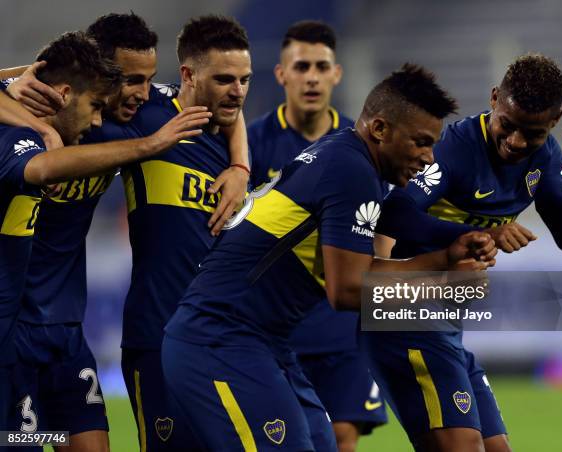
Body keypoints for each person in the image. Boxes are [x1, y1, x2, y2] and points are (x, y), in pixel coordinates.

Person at [162, 63, 498, 451]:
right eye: (421, 142)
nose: (428, 158)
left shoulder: (347, 156)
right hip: (219, 340)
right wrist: (442, 284)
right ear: (380, 129)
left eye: (433, 144)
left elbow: (358, 273)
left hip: (261, 343)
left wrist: (443, 259)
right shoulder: (351, 171)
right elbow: (348, 292)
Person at [0, 13, 249, 452]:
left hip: (66, 328)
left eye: (149, 79)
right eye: (132, 79)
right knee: (23, 441)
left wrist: (240, 166)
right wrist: (33, 116)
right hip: (12, 331)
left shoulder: (138, 113)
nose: (144, 91)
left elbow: (221, 102)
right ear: (99, 74)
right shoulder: (27, 116)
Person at [370, 54, 562, 452]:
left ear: (556, 120)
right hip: (403, 311)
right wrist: (474, 232)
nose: (516, 143)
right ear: (494, 98)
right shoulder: (454, 149)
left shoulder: (544, 158)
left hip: (447, 324)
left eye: (533, 133)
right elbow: (394, 213)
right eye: (507, 126)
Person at [248, 20, 386, 451]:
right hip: (273, 328)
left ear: (336, 74)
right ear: (281, 74)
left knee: (342, 436)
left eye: (321, 66)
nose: (311, 76)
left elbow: (381, 230)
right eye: (301, 66)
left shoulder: (361, 146)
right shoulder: (250, 146)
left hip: (342, 327)